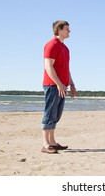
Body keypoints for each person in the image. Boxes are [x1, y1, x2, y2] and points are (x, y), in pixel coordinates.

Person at [41, 20, 77, 154]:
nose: (69, 31)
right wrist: (58, 84)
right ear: (59, 30)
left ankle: (52, 142)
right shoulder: (51, 45)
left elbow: (66, 69)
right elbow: (48, 66)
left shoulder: (65, 48)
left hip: (62, 86)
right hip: (52, 85)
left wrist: (71, 84)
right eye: (67, 29)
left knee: (56, 115)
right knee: (49, 113)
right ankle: (45, 144)